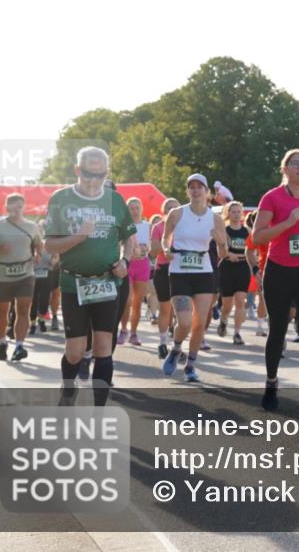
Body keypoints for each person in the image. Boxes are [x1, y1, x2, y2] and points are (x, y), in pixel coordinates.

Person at [43, 147, 137, 406]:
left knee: (103, 347)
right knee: (74, 351)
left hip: (107, 282)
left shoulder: (115, 200)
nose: (93, 180)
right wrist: (79, 236)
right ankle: (68, 390)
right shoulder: (61, 199)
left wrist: (125, 262)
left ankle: (99, 410)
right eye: (87, 174)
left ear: (106, 173)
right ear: (77, 170)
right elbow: (50, 245)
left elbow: (130, 238)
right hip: (74, 283)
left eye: (99, 175)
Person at [251, 149, 299, 414]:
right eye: (294, 163)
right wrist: (287, 223)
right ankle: (272, 382)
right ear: (284, 169)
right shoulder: (272, 198)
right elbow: (259, 237)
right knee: (277, 331)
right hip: (280, 271)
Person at [160, 174, 227, 383]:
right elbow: (165, 237)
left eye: (200, 187)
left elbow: (223, 253)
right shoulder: (176, 213)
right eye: (192, 187)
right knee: (185, 321)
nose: (196, 190)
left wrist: (220, 242)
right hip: (179, 271)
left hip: (204, 272)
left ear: (207, 192)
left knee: (199, 324)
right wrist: (165, 249)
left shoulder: (215, 218)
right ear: (187, 191)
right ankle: (176, 348)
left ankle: (190, 365)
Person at [0, 194, 43, 362]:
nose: (15, 211)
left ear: (24, 207)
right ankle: (2, 342)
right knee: (2, 312)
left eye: (19, 207)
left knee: (23, 310)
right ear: (6, 208)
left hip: (25, 274)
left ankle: (19, 346)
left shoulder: (32, 226)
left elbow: (38, 244)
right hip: (2, 274)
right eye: (11, 207)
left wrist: (37, 254)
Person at [118, 197, 152, 346]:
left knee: (137, 302)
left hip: (143, 266)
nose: (135, 210)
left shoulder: (148, 226)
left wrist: (146, 250)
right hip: (128, 265)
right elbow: (118, 244)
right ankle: (123, 330)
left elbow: (152, 246)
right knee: (127, 300)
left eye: (137, 207)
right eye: (131, 208)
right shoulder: (123, 226)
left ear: (141, 209)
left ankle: (133, 333)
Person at [149, 198, 180, 359]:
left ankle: (176, 345)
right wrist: (165, 243)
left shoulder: (185, 226)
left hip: (183, 270)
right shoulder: (158, 227)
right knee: (166, 309)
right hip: (163, 270)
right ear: (164, 211)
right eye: (169, 208)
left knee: (180, 311)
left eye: (175, 208)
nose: (172, 211)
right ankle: (162, 343)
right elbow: (153, 252)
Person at [218, 200, 251, 345]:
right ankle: (223, 320)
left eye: (239, 211)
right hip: (227, 267)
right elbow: (221, 251)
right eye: (234, 212)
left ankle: (237, 333)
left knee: (240, 301)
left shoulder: (247, 231)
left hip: (243, 267)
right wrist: (228, 255)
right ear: (228, 214)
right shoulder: (224, 231)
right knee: (227, 305)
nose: (237, 214)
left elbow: (252, 250)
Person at [29, 218, 56, 334]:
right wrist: (33, 258)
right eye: (40, 227)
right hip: (33, 274)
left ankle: (41, 319)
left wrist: (55, 259)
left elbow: (55, 258)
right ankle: (33, 323)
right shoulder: (31, 243)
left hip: (47, 273)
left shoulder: (50, 243)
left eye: (44, 227)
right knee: (33, 299)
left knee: (45, 299)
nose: (42, 230)